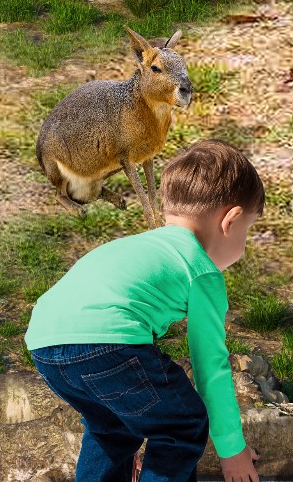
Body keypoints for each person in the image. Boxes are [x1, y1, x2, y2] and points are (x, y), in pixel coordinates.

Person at [25, 139, 265, 482]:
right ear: (230, 221)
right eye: (248, 231)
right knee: (182, 425)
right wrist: (232, 450)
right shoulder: (202, 271)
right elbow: (210, 368)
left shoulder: (138, 245)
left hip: (44, 341)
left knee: (113, 427)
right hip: (106, 342)